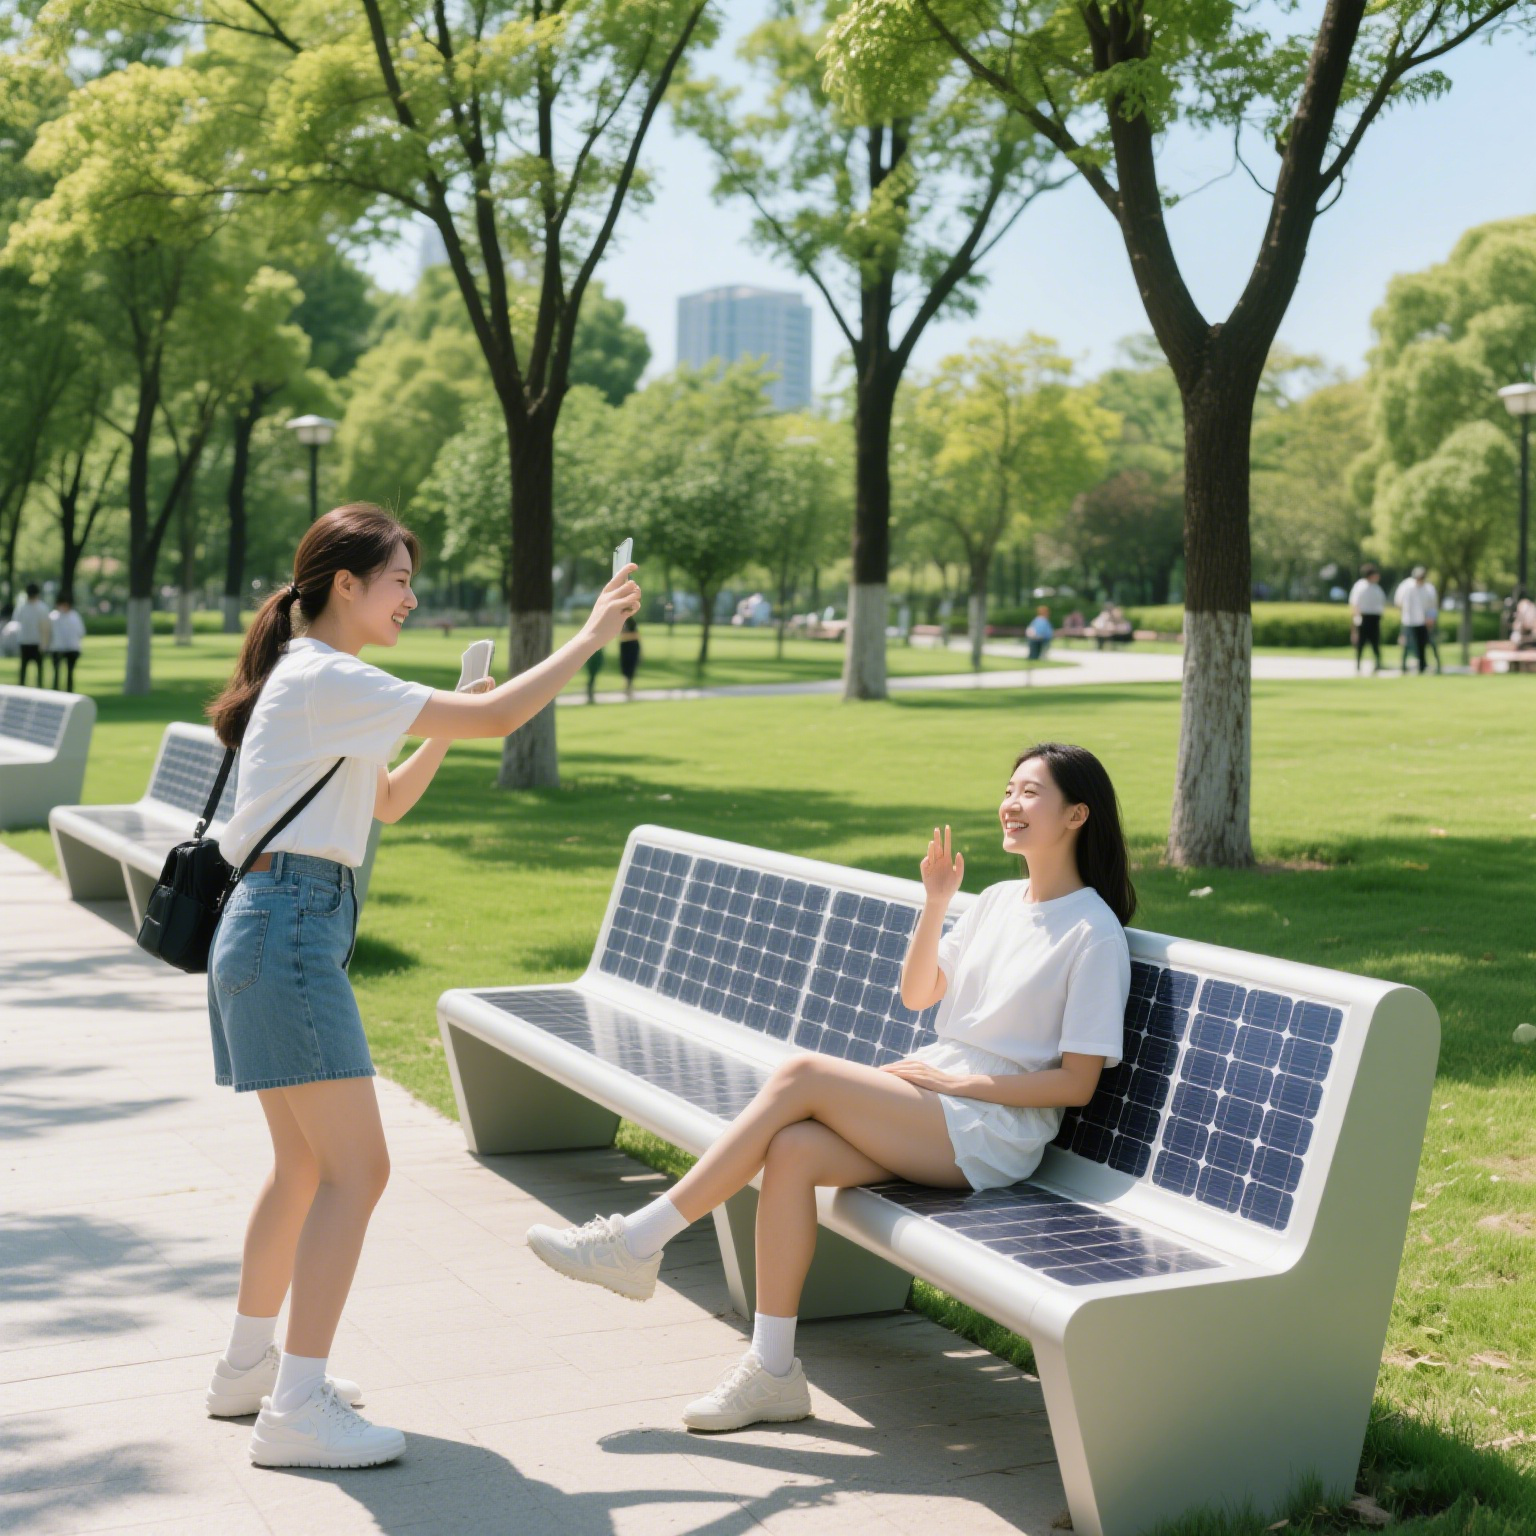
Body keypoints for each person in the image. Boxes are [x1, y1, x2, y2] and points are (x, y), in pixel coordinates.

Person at [201, 502, 639, 1469]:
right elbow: (499, 719)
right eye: (398, 578)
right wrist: (589, 635)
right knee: (360, 1171)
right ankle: (297, 1407)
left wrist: (442, 719)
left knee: (305, 1168)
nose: (411, 596)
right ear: (345, 585)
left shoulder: (317, 679)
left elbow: (387, 799)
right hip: (290, 933)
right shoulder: (326, 674)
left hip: (268, 928)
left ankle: (249, 1370)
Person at [525, 741, 1133, 1433]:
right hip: (939, 1099)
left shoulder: (1093, 932)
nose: (1011, 804)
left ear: (1077, 814)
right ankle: (773, 1370)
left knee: (801, 1074)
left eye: (1031, 793)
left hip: (992, 1129)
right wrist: (936, 903)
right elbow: (917, 994)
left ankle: (637, 1241)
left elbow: (1077, 1084)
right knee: (794, 1149)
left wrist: (962, 1081)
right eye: (1009, 788)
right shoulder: (995, 901)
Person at [1394, 566, 1433, 675]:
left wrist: (1430, 618)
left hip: (1422, 621)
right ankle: (1403, 667)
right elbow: (1398, 602)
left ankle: (1422, 666)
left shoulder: (1427, 588)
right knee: (1406, 645)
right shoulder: (1406, 586)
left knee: (1422, 645)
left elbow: (1431, 605)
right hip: (1408, 620)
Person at [1348, 562, 1387, 674]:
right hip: (1363, 618)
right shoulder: (1360, 586)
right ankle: (1358, 664)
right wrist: (1356, 619)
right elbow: (1355, 604)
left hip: (1375, 618)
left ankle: (1378, 663)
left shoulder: (1377, 588)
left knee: (1375, 642)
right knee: (1361, 642)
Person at [14, 583, 50, 687]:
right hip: (36, 641)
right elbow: (45, 628)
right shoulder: (42, 608)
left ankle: (22, 686)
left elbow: (16, 622)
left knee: (24, 667)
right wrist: (45, 643)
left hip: (24, 641)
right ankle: (39, 687)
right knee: (38, 668)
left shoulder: (21, 607)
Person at [47, 596, 86, 691]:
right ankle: (56, 689)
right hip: (57, 648)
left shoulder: (74, 616)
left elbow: (81, 632)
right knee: (56, 671)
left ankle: (69, 690)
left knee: (70, 672)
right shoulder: (53, 617)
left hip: (72, 648)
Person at [619, 614, 641, 699]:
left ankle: (629, 686)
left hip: (631, 648)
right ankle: (627, 686)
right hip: (625, 648)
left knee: (631, 668)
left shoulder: (632, 623)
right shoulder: (622, 623)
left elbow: (635, 635)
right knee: (625, 667)